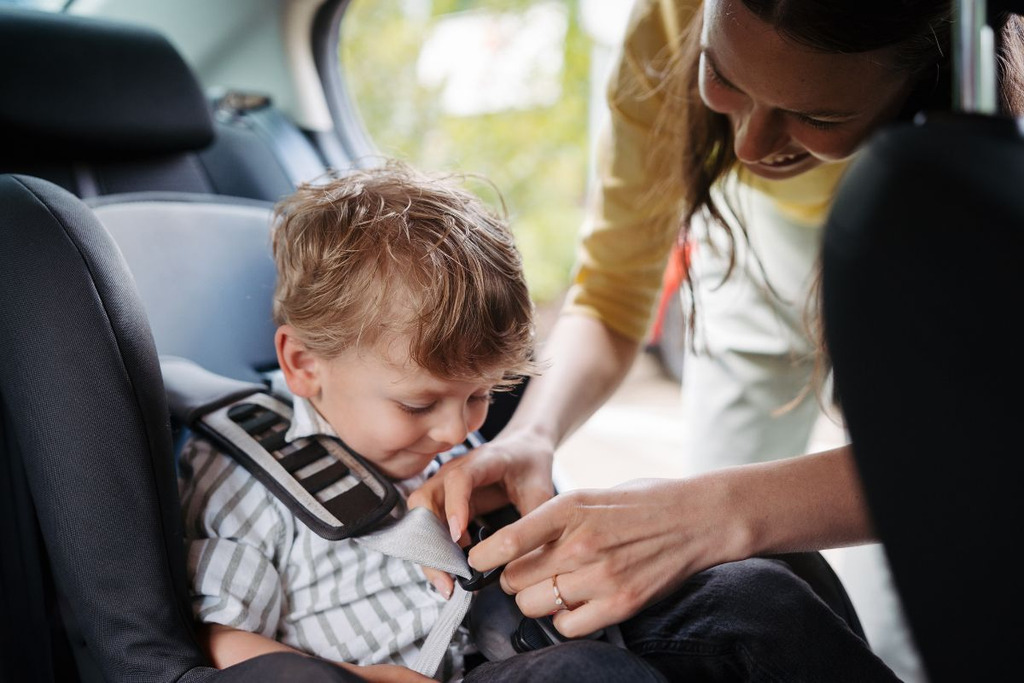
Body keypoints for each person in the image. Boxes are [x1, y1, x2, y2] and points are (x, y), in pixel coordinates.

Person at [410, 0, 1024, 681]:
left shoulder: (995, 106)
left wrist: (720, 511)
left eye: (818, 117)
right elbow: (614, 295)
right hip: (741, 269)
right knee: (725, 561)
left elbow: (982, 456)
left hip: (928, 297)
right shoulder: (672, 19)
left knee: (910, 603)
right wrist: (533, 433)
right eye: (720, 74)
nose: (750, 146)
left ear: (927, 81)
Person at [176, 160, 539, 682]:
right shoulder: (247, 483)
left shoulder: (425, 437)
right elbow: (215, 639)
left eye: (481, 395)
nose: (457, 432)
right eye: (418, 405)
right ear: (304, 365)